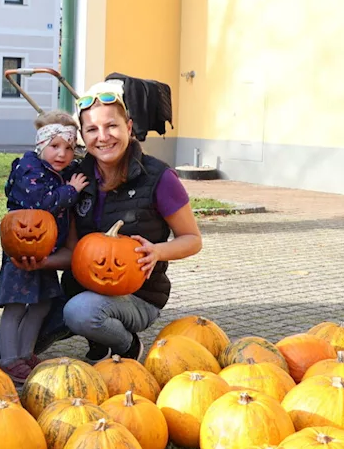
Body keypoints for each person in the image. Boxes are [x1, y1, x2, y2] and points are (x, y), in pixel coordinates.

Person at [13, 83, 204, 360]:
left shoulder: (159, 178)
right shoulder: (76, 179)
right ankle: (90, 334)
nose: (102, 137)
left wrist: (157, 251)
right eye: (92, 130)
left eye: (111, 126)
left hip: (138, 296)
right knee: (1, 350)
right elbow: (76, 253)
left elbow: (193, 239)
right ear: (83, 136)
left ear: (128, 127)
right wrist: (42, 261)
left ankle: (127, 347)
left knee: (81, 312)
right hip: (79, 290)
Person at [0, 111, 88, 384]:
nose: (63, 154)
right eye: (55, 146)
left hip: (45, 253)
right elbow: (40, 203)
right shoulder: (29, 169)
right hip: (21, 252)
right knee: (16, 306)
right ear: (41, 145)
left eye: (69, 148)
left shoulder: (55, 171)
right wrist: (71, 191)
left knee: (42, 303)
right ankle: (9, 359)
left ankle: (25, 353)